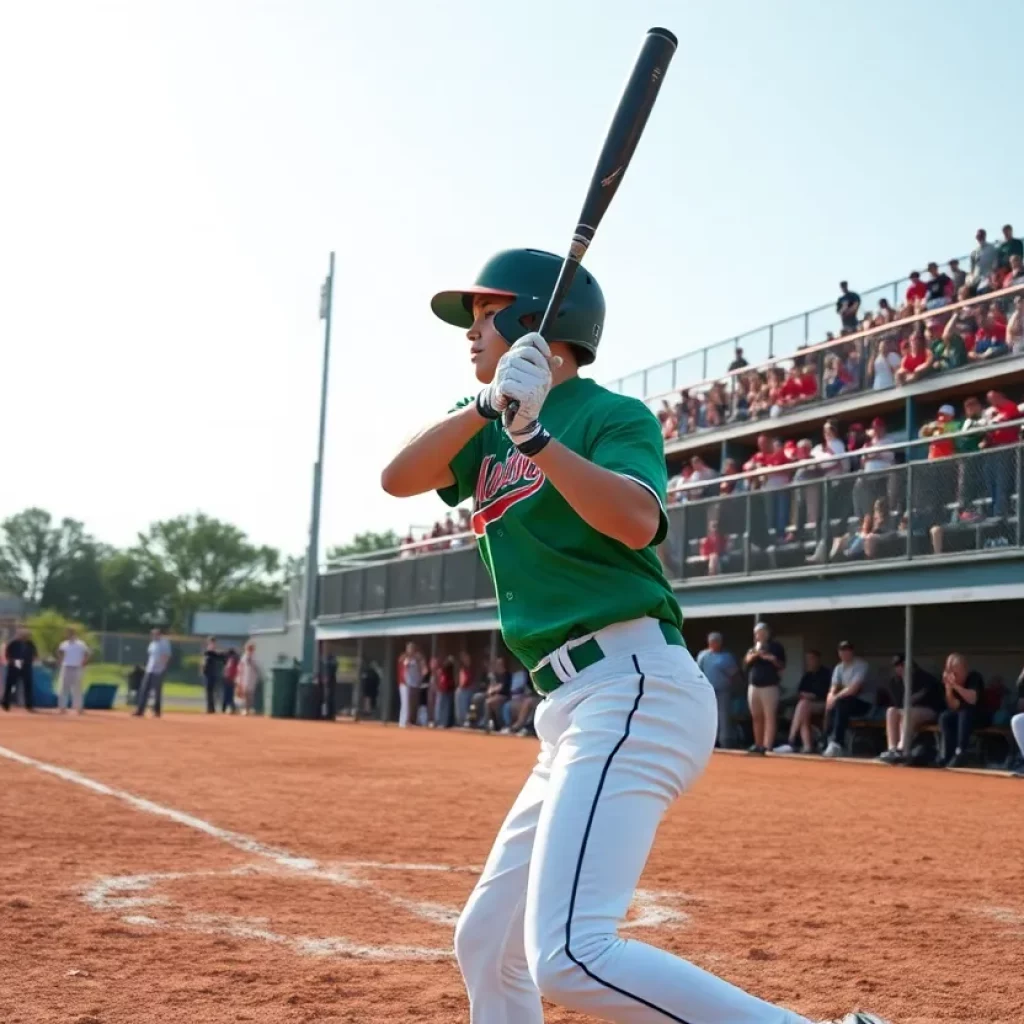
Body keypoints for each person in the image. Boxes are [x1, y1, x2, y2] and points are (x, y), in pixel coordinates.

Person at [380, 247, 879, 1024]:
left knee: (573, 955)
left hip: (634, 683)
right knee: (488, 940)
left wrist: (539, 438)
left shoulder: (611, 416)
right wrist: (488, 412)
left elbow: (638, 520)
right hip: (573, 705)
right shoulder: (481, 428)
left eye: (484, 315)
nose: (470, 333)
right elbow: (396, 479)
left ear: (534, 319)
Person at [878, 656, 944, 764]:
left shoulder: (924, 677)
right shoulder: (895, 681)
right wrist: (904, 681)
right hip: (908, 712)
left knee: (908, 712)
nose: (899, 668)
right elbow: (899, 704)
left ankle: (902, 749)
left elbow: (931, 699)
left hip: (930, 711)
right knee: (891, 711)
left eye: (902, 665)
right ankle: (892, 749)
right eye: (897, 666)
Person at [775, 650, 832, 754]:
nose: (809, 662)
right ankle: (807, 746)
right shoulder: (807, 676)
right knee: (803, 712)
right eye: (807, 660)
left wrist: (811, 696)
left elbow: (825, 693)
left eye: (811, 659)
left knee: (803, 705)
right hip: (806, 704)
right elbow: (800, 692)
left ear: (817, 660)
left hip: (823, 704)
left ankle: (791, 741)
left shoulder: (826, 674)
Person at [823, 641, 874, 757]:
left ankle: (837, 743)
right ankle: (827, 740)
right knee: (832, 704)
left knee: (840, 703)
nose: (844, 653)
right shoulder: (839, 667)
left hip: (865, 703)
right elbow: (834, 686)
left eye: (846, 650)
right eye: (841, 650)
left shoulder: (861, 665)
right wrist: (830, 695)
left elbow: (853, 689)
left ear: (852, 652)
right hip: (845, 701)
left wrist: (835, 698)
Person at [743, 622, 786, 755]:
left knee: (769, 716)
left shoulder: (776, 647)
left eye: (762, 632)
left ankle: (768, 746)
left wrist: (771, 659)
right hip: (754, 686)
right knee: (756, 716)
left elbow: (782, 665)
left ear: (767, 633)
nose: (760, 634)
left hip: (769, 686)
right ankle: (758, 744)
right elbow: (745, 664)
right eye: (757, 632)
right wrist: (755, 655)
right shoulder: (752, 649)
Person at [938, 653, 984, 768]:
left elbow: (972, 700)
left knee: (965, 712)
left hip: (980, 716)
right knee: (945, 717)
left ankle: (960, 752)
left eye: (956, 673)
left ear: (964, 669)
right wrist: (948, 689)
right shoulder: (952, 683)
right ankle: (948, 755)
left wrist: (956, 686)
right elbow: (954, 706)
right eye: (951, 672)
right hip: (962, 718)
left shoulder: (974, 677)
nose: (954, 676)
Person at [695, 631, 741, 749]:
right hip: (707, 691)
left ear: (720, 643)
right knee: (708, 716)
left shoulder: (726, 657)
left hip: (723, 691)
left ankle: (725, 742)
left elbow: (734, 675)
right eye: (712, 641)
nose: (714, 643)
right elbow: (698, 672)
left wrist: (734, 688)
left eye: (716, 641)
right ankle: (709, 742)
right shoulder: (703, 655)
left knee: (724, 717)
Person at [134, 628, 171, 718]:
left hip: (158, 671)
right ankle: (140, 710)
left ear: (159, 635)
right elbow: (151, 656)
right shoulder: (152, 644)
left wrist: (162, 667)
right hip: (149, 669)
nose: (153, 636)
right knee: (144, 690)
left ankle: (157, 711)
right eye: (152, 634)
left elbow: (166, 656)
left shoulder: (164, 643)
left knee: (156, 692)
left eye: (155, 634)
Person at [56, 627, 91, 715]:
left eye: (71, 633)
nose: (69, 635)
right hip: (67, 666)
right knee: (64, 687)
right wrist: (61, 660)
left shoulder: (80, 644)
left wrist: (84, 662)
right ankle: (62, 707)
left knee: (77, 688)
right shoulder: (64, 644)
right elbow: (60, 652)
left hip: (77, 667)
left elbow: (87, 653)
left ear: (74, 634)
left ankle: (78, 708)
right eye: (68, 633)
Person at [2, 626, 37, 712]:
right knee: (10, 685)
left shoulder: (30, 643)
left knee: (28, 685)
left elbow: (35, 654)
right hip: (15, 665)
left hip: (26, 665)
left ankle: (29, 705)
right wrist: (14, 662)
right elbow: (7, 655)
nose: (26, 636)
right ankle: (5, 704)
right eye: (24, 634)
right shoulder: (13, 643)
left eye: (27, 635)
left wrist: (31, 661)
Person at [397, 641, 425, 727]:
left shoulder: (418, 658)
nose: (411, 650)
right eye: (409, 648)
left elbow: (423, 670)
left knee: (413, 704)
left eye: (412, 648)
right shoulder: (404, 658)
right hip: (405, 683)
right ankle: (403, 722)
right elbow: (402, 665)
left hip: (415, 683)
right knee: (406, 703)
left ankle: (411, 721)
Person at [201, 636, 226, 714]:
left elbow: (222, 658)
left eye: (213, 642)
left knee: (212, 692)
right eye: (210, 642)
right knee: (209, 692)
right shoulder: (207, 652)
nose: (211, 644)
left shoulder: (213, 653)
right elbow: (204, 663)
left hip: (212, 675)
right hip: (207, 675)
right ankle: (210, 708)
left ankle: (212, 709)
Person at [236, 642, 262, 716]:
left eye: (251, 649)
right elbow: (240, 667)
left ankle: (249, 709)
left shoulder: (255, 657)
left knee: (250, 694)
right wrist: (239, 678)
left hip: (252, 678)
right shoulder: (244, 657)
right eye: (248, 648)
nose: (249, 650)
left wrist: (252, 663)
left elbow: (258, 668)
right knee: (245, 694)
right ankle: (246, 709)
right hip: (244, 677)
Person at [454, 651, 475, 727]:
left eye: (466, 658)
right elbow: (460, 680)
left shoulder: (471, 668)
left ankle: (467, 721)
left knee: (468, 705)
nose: (465, 659)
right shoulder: (462, 668)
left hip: (468, 689)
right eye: (464, 658)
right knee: (460, 704)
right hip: (462, 689)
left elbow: (469, 680)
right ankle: (460, 721)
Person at [222, 648, 240, 713]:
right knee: (229, 695)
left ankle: (227, 708)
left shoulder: (232, 660)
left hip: (229, 679)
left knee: (227, 695)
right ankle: (231, 708)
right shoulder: (234, 660)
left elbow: (229, 671)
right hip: (230, 679)